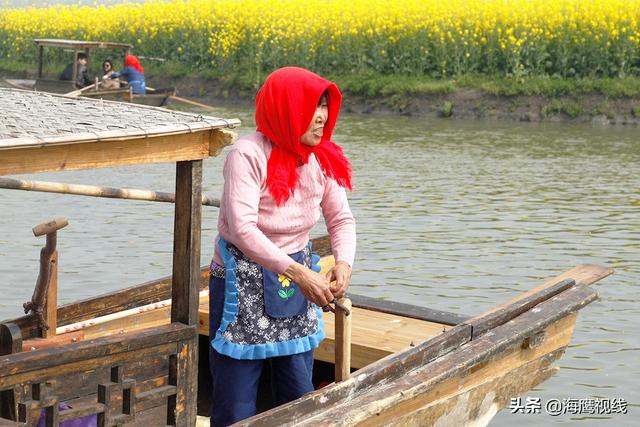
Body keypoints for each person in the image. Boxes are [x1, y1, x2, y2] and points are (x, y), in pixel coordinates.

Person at [208, 66, 356, 426]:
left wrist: (344, 265)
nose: (322, 116)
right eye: (312, 106)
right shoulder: (247, 155)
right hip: (241, 277)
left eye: (325, 106)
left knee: (298, 390)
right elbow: (242, 229)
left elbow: (341, 220)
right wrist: (299, 273)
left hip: (297, 278)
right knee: (236, 398)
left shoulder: (321, 156)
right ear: (286, 109)